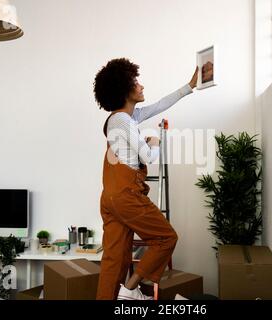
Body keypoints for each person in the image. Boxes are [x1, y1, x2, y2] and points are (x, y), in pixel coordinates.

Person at [93, 58, 198, 300]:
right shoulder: (123, 120)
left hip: (111, 197)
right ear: (124, 90)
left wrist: (189, 86)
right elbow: (148, 156)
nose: (141, 86)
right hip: (126, 196)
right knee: (166, 238)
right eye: (135, 83)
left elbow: (160, 104)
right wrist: (157, 140)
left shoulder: (120, 118)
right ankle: (130, 290)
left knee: (114, 259)